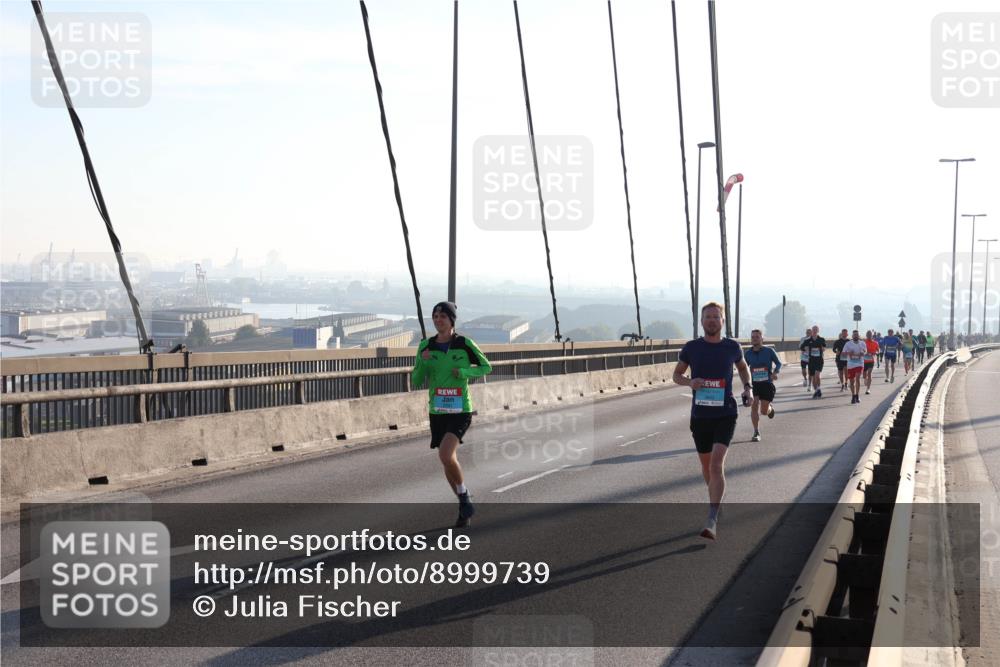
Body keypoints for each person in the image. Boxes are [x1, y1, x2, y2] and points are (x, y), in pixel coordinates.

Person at [673, 302, 752, 541]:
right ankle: (716, 503)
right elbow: (677, 375)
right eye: (707, 317)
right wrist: (690, 383)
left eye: (715, 317)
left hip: (726, 413)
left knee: (717, 464)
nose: (711, 321)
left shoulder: (731, 347)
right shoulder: (692, 348)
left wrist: (748, 388)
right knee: (707, 468)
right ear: (701, 321)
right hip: (700, 416)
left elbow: (743, 368)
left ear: (723, 321)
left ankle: (712, 518)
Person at [410, 301, 493, 527]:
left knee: (446, 455)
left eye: (443, 316)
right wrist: (423, 362)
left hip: (460, 409)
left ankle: (464, 497)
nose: (438, 320)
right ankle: (463, 503)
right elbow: (415, 380)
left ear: (451, 320)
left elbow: (486, 367)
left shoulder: (464, 344)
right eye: (435, 316)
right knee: (447, 460)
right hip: (437, 410)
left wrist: (464, 372)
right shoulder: (427, 346)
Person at [744, 329, 781, 442]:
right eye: (753, 337)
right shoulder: (748, 353)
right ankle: (756, 432)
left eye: (757, 337)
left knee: (764, 411)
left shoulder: (769, 351)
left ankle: (770, 410)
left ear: (762, 339)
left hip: (767, 384)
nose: (754, 339)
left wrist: (775, 373)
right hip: (754, 384)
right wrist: (746, 385)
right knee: (754, 406)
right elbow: (743, 369)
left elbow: (779, 363)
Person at [800, 325, 827, 398]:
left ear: (818, 331)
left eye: (816, 329)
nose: (814, 331)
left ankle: (818, 389)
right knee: (812, 377)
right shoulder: (808, 340)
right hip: (811, 360)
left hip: (819, 360)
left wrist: (823, 349)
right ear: (812, 331)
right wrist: (806, 349)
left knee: (817, 376)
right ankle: (817, 390)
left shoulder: (821, 339)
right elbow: (801, 347)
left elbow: (824, 347)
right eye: (813, 329)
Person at [842, 330, 867, 404]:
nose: (855, 336)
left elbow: (865, 351)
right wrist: (849, 353)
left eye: (857, 335)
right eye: (854, 335)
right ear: (852, 336)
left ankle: (857, 395)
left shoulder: (862, 343)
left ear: (859, 336)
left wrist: (863, 353)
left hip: (860, 363)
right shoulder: (848, 344)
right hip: (850, 364)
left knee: (857, 378)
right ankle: (853, 395)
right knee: (852, 382)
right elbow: (843, 353)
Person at [863, 330, 879, 395]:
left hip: (871, 361)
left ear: (872, 336)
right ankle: (865, 379)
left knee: (869, 373)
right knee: (864, 374)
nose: (869, 336)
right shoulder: (863, 343)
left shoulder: (875, 343)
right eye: (868, 335)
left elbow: (878, 351)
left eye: (870, 335)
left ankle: (868, 389)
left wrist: (875, 353)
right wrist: (864, 352)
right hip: (864, 361)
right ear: (866, 335)